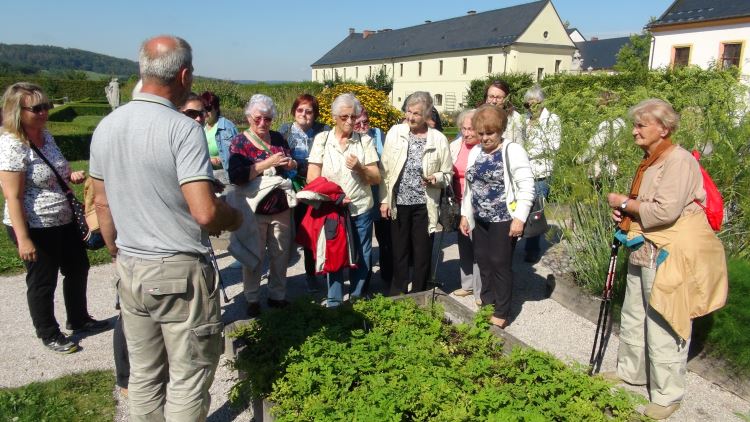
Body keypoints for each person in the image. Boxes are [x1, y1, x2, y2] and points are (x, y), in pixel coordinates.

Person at [90, 35, 243, 421]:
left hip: (131, 264)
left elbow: (102, 203)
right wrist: (235, 217)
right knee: (189, 375)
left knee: (144, 374)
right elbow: (205, 213)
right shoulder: (182, 129)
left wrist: (116, 250)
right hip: (177, 268)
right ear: (185, 74)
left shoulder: (107, 127)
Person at [604, 99, 727, 420]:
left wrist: (625, 203)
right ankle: (632, 371)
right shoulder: (652, 160)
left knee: (665, 318)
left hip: (669, 250)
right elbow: (649, 204)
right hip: (644, 244)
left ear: (664, 128)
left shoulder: (679, 161)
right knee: (634, 313)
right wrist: (628, 209)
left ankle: (667, 394)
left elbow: (665, 211)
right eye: (635, 125)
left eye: (641, 125)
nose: (634, 131)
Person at [0, 82, 108, 354]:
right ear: (17, 111)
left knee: (77, 267)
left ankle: (79, 318)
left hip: (63, 216)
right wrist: (24, 239)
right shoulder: (12, 145)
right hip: (35, 223)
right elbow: (12, 196)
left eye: (46, 106)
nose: (44, 112)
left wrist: (70, 176)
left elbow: (57, 169)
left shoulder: (45, 136)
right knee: (42, 279)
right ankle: (48, 332)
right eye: (36, 108)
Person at [459, 105, 535, 329]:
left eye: (489, 133)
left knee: (499, 263)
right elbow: (469, 188)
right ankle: (488, 302)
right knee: (482, 260)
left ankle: (502, 310)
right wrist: (465, 215)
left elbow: (526, 186)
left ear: (500, 130)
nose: (484, 138)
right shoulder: (476, 152)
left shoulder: (512, 151)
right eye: (481, 133)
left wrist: (519, 218)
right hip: (480, 218)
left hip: (504, 217)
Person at [307, 93, 380, 306]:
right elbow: (313, 176)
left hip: (360, 207)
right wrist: (334, 196)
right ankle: (335, 300)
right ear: (334, 117)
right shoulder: (322, 139)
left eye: (353, 116)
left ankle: (357, 297)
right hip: (334, 208)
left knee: (362, 253)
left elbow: (375, 178)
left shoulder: (364, 141)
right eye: (344, 117)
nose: (350, 121)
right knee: (335, 253)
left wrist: (360, 167)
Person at [228, 94, 296, 317]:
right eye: (258, 118)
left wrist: (290, 163)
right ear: (249, 118)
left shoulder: (277, 138)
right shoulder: (240, 142)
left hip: (280, 206)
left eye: (267, 119)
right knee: (253, 255)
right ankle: (252, 297)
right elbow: (236, 176)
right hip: (254, 208)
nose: (262, 123)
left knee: (280, 254)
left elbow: (292, 164)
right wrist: (267, 164)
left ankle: (277, 295)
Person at [380, 91, 452, 296]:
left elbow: (448, 174)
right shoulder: (395, 132)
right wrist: (385, 200)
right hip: (399, 202)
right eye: (408, 112)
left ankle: (420, 293)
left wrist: (435, 179)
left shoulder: (438, 139)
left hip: (424, 203)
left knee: (421, 252)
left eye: (417, 114)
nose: (410, 117)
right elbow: (385, 170)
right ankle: (398, 291)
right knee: (399, 250)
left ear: (428, 115)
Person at [278, 94, 329, 292]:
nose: (304, 114)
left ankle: (312, 275)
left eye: (309, 111)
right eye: (300, 110)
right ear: (294, 111)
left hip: (314, 188)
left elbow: (324, 160)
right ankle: (279, 278)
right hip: (289, 189)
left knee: (311, 233)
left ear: (315, 114)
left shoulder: (323, 131)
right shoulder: (285, 130)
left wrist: (298, 164)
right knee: (286, 233)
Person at [520, 85, 560, 263]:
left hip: (540, 172)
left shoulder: (552, 120)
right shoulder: (523, 120)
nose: (531, 108)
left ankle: (532, 248)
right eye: (528, 105)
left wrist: (526, 152)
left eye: (534, 104)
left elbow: (553, 146)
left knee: (536, 211)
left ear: (542, 103)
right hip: (522, 170)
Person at [354, 106, 391, 289]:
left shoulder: (379, 135)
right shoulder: (350, 139)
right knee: (363, 244)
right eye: (357, 123)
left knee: (385, 240)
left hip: (380, 194)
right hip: (361, 198)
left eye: (365, 122)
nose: (362, 126)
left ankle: (387, 277)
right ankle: (364, 282)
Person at [449, 109, 481, 304]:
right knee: (464, 244)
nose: (467, 133)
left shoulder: (483, 149)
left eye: (472, 129)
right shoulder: (454, 145)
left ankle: (480, 289)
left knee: (478, 245)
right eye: (464, 128)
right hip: (458, 202)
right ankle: (467, 284)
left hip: (477, 204)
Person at [201, 91, 239, 185]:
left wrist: (220, 160)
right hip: (206, 176)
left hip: (224, 177)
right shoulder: (200, 127)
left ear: (216, 108)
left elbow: (238, 154)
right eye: (202, 109)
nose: (205, 113)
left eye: (208, 109)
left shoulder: (227, 127)